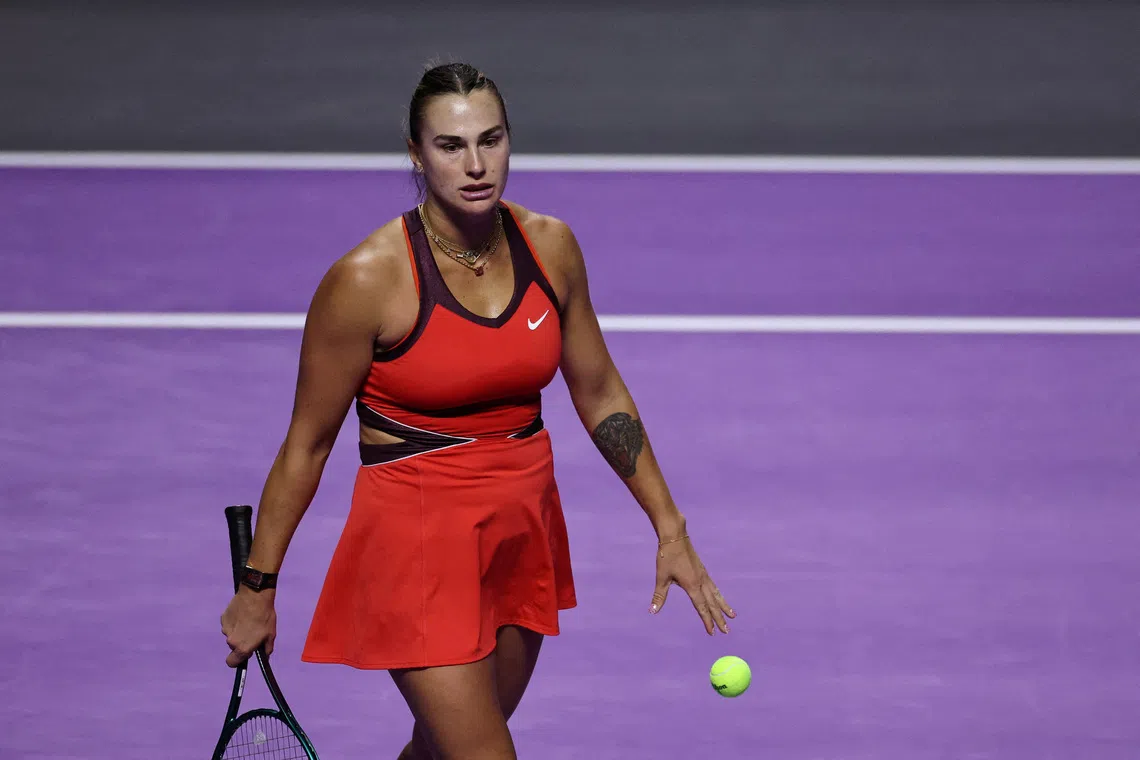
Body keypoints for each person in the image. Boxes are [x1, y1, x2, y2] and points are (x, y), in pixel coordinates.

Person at [220, 62, 736, 760]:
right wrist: (258, 586)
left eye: (490, 141)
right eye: (450, 146)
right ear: (415, 153)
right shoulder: (366, 281)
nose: (475, 164)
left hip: (521, 531)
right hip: (417, 545)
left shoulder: (551, 247)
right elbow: (306, 446)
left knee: (440, 751)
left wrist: (668, 524)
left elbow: (599, 390)